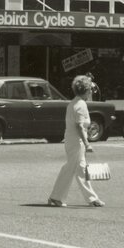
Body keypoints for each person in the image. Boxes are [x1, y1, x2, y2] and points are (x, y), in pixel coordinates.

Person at [47, 74, 105, 208]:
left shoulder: (73, 103)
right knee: (70, 169)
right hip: (77, 142)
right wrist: (87, 143)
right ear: (85, 90)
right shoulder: (81, 105)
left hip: (71, 140)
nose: (91, 92)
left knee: (80, 169)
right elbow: (79, 125)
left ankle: (91, 199)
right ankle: (56, 197)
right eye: (90, 89)